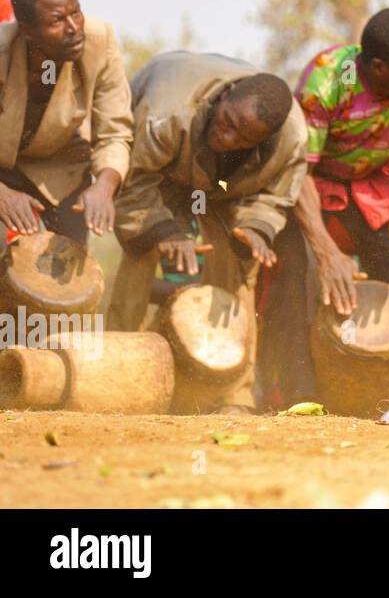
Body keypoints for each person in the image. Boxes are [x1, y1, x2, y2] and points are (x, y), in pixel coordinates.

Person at [263, 8, 389, 424]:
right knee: (296, 269)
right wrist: (326, 251)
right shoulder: (328, 78)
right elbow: (300, 172)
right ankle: (301, 395)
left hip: (375, 185)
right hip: (311, 184)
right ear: (377, 68)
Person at [106, 52, 307, 413]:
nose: (227, 137)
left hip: (228, 186)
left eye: (243, 136)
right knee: (141, 252)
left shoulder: (291, 140)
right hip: (160, 171)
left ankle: (232, 395)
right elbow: (133, 184)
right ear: (224, 95)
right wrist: (164, 231)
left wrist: (255, 229)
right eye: (227, 121)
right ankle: (117, 378)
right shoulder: (164, 115)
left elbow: (274, 199)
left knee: (241, 267)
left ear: (263, 141)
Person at [0, 0, 131, 244]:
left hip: (60, 165)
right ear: (27, 30)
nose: (74, 28)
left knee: (65, 268)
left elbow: (115, 132)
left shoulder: (100, 40)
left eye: (76, 12)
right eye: (57, 20)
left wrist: (104, 186)